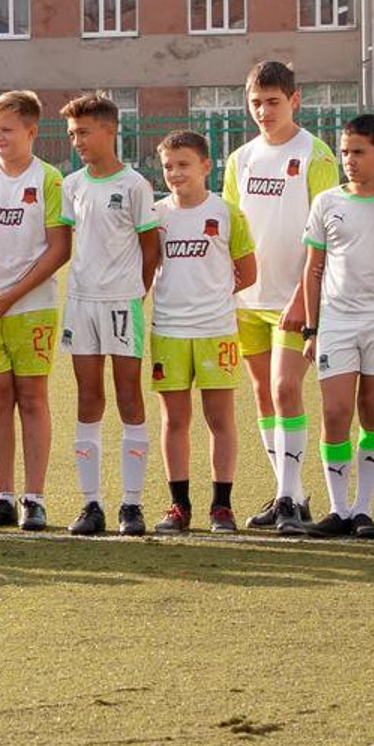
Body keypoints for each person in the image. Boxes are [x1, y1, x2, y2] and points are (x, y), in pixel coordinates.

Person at [227, 60, 340, 532]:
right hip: (247, 300)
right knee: (262, 395)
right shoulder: (241, 159)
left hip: (295, 300)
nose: (263, 111)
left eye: (273, 102)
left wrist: (303, 297)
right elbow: (231, 228)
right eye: (256, 102)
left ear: (295, 100)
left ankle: (290, 499)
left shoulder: (315, 154)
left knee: (285, 388)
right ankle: (287, 495)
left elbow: (330, 230)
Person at [0, 89, 71, 531]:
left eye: (6, 129)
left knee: (33, 399)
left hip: (32, 309)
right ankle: (1, 496)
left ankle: (34, 499)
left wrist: (12, 296)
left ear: (31, 131)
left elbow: (59, 248)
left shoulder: (48, 181)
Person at [294, 114, 374, 539]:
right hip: (337, 322)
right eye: (344, 152)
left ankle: (363, 509)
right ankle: (338, 509)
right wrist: (311, 329)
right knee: (335, 411)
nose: (349, 160)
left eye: (358, 152)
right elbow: (313, 269)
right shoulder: (327, 202)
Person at [57, 94, 160, 537]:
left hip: (122, 304)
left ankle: (131, 505)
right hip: (81, 303)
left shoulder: (135, 185)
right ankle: (91, 504)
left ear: (110, 130)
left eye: (84, 132)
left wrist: (134, 294)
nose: (77, 141)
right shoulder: (72, 184)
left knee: (129, 397)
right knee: (87, 397)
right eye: (72, 134)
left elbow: (150, 249)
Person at [147, 131, 255, 535]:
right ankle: (179, 506)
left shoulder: (227, 213)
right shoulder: (157, 215)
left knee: (219, 418)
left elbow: (249, 271)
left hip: (216, 332)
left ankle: (221, 507)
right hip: (169, 331)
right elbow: (147, 266)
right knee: (175, 419)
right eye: (168, 167)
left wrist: (212, 298)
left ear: (207, 166)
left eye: (184, 165)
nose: (175, 174)